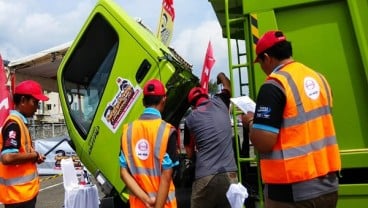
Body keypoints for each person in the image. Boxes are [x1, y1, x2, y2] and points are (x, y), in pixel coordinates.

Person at [242, 30, 341, 207]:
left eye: (260, 62)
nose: (262, 68)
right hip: (328, 186)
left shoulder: (274, 84)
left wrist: (250, 122)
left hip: (292, 192)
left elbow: (264, 142)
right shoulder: (319, 78)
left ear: (267, 57)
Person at [119, 79, 178, 208]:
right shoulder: (168, 132)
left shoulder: (127, 131)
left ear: (143, 101)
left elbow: (123, 173)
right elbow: (166, 175)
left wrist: (145, 199)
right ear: (164, 99)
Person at [184, 72, 238, 208]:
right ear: (206, 96)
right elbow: (228, 87)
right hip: (230, 174)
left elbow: (189, 152)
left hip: (205, 176)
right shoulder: (221, 102)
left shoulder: (190, 119)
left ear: (192, 105)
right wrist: (221, 76)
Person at [0, 80, 48, 208]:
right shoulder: (13, 124)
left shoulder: (20, 123)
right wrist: (34, 155)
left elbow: (21, 153)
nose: (37, 107)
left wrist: (35, 157)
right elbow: (7, 157)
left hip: (23, 194)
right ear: (22, 100)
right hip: (17, 197)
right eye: (35, 102)